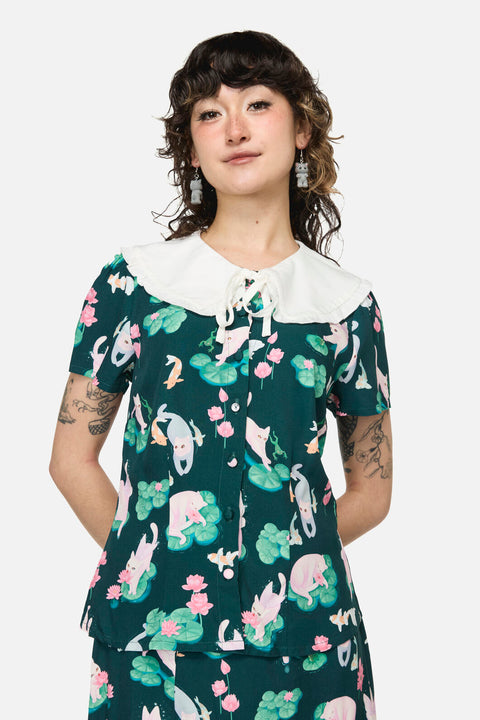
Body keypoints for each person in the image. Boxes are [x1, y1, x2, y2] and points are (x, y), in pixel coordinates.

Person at [50, 30, 392, 720]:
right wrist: (153, 562)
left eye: (257, 104)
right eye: (210, 113)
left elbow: (373, 490)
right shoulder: (133, 285)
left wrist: (287, 560)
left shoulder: (346, 306)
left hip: (308, 644)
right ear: (191, 147)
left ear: (302, 129)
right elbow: (69, 460)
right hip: (151, 643)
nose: (234, 128)